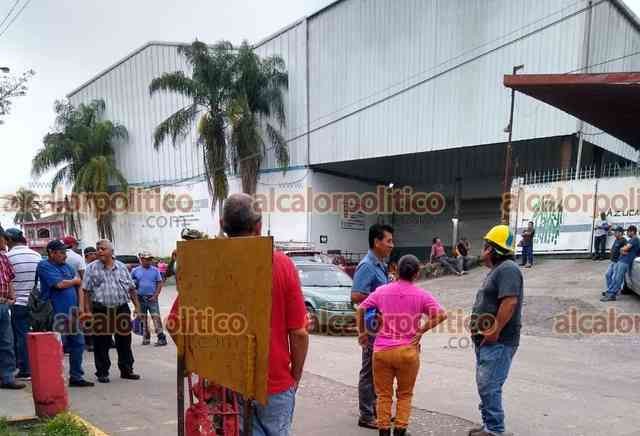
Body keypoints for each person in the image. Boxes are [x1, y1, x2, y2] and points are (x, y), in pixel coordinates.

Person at [218, 194, 309, 435]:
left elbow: (176, 322)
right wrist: (295, 376)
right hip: (275, 383)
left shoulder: (209, 265)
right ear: (258, 227)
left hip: (229, 381)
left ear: (222, 225)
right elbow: (299, 334)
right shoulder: (282, 265)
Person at [357, 255, 447, 436]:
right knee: (405, 395)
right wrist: (420, 331)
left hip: (382, 351)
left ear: (396, 270)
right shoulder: (421, 295)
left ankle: (383, 431)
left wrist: (362, 333)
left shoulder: (382, 291)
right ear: (416, 273)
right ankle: (400, 430)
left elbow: (361, 308)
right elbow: (441, 315)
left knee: (383, 395)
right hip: (408, 351)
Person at [469, 225, 523, 436]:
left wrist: (494, 330)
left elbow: (509, 302)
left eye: (485, 246)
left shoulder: (508, 269)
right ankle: (488, 425)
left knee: (489, 385)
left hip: (498, 341)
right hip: (488, 341)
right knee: (485, 384)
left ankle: (495, 430)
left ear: (492, 248)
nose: (482, 251)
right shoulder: (498, 270)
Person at [351, 223, 395, 430]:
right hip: (370, 327)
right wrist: (380, 300)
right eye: (389, 241)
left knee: (380, 370)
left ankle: (377, 409)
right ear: (377, 242)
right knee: (369, 371)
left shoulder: (380, 265)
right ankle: (366, 415)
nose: (392, 245)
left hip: (381, 326)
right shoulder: (367, 266)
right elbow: (356, 295)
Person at [36, 240, 94, 387]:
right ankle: (53, 378)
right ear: (51, 253)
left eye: (65, 252)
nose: (65, 256)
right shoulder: (44, 266)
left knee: (78, 344)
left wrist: (81, 306)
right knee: (56, 346)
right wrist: (75, 281)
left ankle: (76, 376)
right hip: (55, 313)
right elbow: (59, 284)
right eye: (61, 253)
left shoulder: (67, 267)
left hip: (73, 313)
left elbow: (80, 285)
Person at [82, 239, 140, 383]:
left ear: (111, 251)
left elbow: (131, 288)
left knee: (124, 341)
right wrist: (87, 311)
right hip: (100, 310)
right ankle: (102, 372)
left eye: (103, 249)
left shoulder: (121, 267)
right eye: (98, 249)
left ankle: (127, 370)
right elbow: (86, 291)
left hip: (121, 308)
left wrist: (137, 307)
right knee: (101, 342)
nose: (99, 251)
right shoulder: (91, 268)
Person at [5, 228, 41, 380]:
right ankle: (37, 366)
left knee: (20, 337)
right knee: (36, 336)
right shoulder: (36, 255)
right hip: (36, 304)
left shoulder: (7, 257)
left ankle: (25, 369)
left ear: (9, 240)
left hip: (17, 303)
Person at [0, 228, 25, 390]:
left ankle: (7, 377)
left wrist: (12, 296)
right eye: (4, 238)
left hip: (3, 305)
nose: (6, 241)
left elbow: (9, 278)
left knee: (6, 342)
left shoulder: (4, 257)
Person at [131, 251, 167, 346]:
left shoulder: (155, 270)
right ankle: (146, 337)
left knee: (156, 317)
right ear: (141, 259)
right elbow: (130, 284)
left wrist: (155, 295)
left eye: (149, 259)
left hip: (152, 298)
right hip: (140, 298)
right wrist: (135, 300)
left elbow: (159, 283)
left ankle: (161, 337)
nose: (148, 261)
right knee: (143, 318)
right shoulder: (135, 271)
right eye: (146, 259)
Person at [601, 225, 640, 302]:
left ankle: (612, 295)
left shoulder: (634, 239)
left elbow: (624, 248)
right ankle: (609, 292)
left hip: (625, 261)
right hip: (622, 260)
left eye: (628, 232)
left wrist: (623, 250)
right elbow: (623, 250)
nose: (627, 233)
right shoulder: (632, 240)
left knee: (618, 279)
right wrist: (623, 250)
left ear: (632, 232)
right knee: (616, 278)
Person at [602, 226, 626, 298]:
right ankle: (610, 289)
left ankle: (612, 291)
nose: (615, 233)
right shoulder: (617, 239)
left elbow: (625, 251)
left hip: (617, 262)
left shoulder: (623, 241)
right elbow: (610, 233)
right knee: (607, 275)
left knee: (615, 278)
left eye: (616, 232)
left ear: (620, 233)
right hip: (612, 261)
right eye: (615, 232)